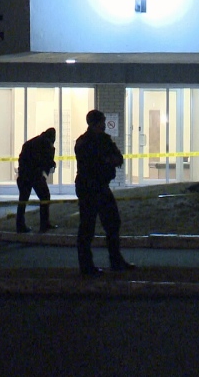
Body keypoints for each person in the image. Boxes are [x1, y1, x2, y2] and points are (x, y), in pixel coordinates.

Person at [74, 109, 136, 277]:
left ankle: (116, 261)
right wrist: (107, 160)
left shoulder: (104, 139)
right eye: (101, 121)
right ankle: (86, 266)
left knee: (113, 223)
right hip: (89, 188)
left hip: (102, 187)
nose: (104, 124)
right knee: (87, 227)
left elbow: (118, 157)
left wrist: (109, 160)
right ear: (94, 123)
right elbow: (93, 163)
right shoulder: (84, 142)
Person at [16, 127, 57, 233]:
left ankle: (19, 225)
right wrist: (50, 167)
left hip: (24, 175)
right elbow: (47, 162)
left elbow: (21, 159)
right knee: (45, 197)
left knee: (23, 200)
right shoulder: (47, 144)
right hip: (35, 175)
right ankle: (44, 224)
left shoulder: (30, 143)